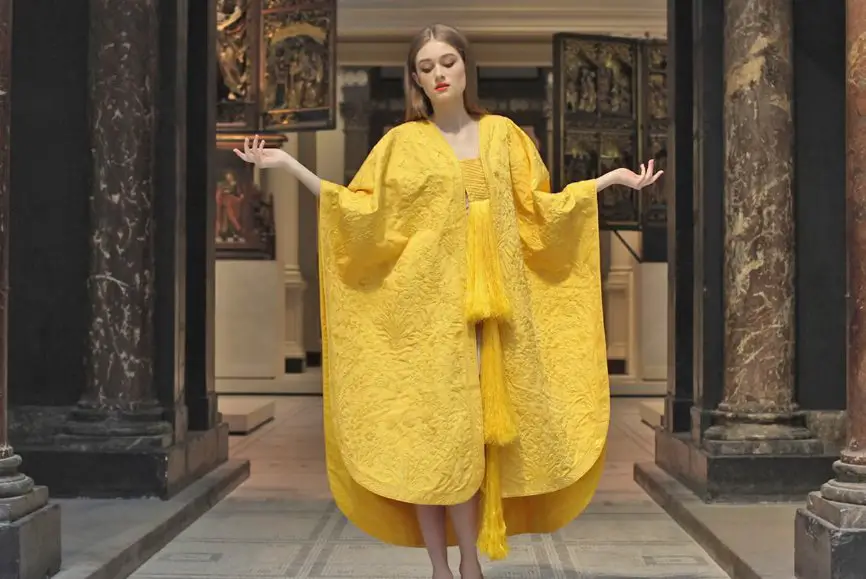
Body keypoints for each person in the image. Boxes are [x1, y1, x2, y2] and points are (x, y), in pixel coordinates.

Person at [235, 23, 662, 579]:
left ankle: (469, 565)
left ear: (466, 67)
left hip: (493, 320)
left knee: (476, 445)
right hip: (427, 322)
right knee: (430, 441)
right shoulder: (401, 146)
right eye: (426, 67)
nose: (439, 74)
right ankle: (444, 566)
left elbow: (540, 213)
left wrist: (604, 183)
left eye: (447, 62)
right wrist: (289, 167)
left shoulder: (506, 135)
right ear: (415, 79)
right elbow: (360, 214)